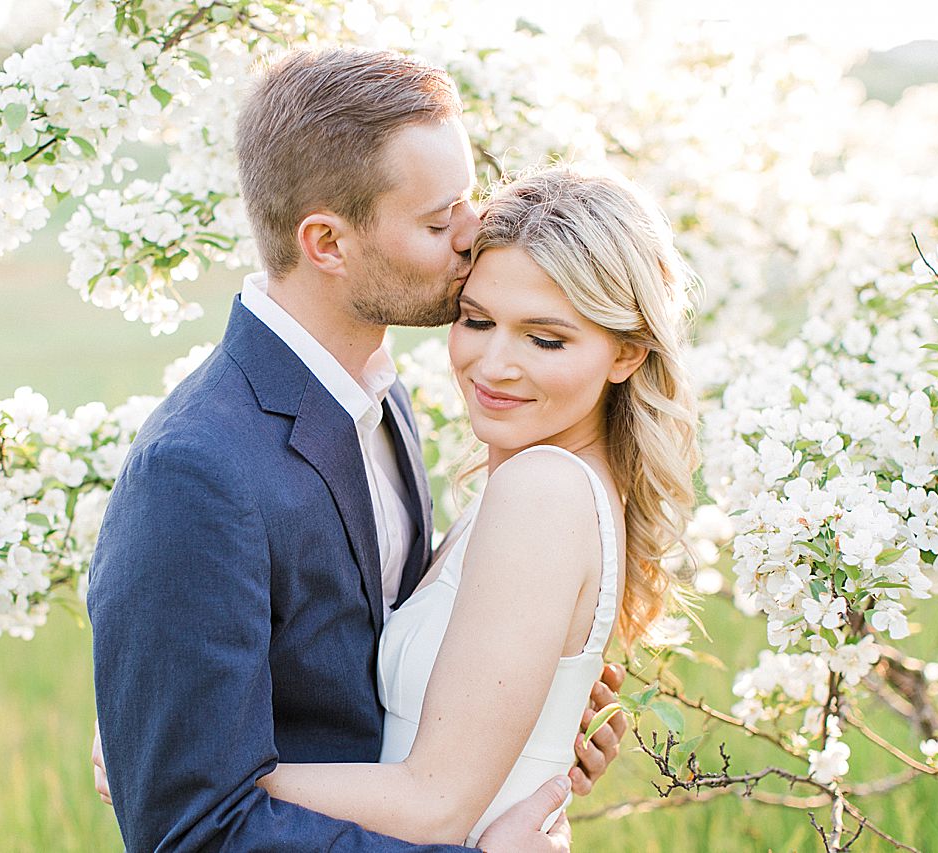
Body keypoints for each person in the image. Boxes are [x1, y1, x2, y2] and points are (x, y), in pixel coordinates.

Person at [87, 48, 631, 852]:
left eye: (469, 202)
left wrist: (525, 719)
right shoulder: (198, 470)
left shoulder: (379, 397)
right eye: (438, 220)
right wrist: (158, 751)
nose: (474, 233)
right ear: (328, 243)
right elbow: (195, 830)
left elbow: (372, 669)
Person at [253, 165, 700, 845]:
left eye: (544, 338)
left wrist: (185, 769)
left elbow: (433, 803)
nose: (493, 365)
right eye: (478, 320)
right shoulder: (535, 483)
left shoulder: (543, 491)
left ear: (627, 354)